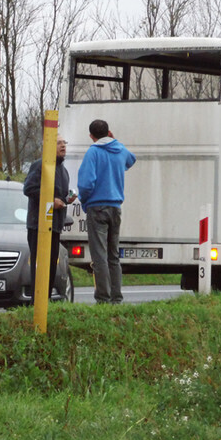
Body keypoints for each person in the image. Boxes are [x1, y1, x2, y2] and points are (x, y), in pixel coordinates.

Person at [77, 119, 136, 304]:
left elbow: (86, 184)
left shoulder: (93, 152)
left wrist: (84, 200)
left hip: (97, 207)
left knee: (99, 255)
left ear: (91, 136)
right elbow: (131, 159)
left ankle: (103, 298)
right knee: (113, 255)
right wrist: (114, 140)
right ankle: (116, 297)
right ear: (109, 132)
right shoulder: (119, 150)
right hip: (115, 207)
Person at [23, 135, 75, 302]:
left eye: (64, 143)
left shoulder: (63, 171)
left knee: (52, 266)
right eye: (58, 142)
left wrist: (67, 199)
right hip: (39, 225)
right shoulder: (39, 166)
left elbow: (61, 196)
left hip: (56, 226)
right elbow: (29, 189)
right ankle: (35, 304)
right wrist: (51, 201)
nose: (63, 146)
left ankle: (45, 303)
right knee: (40, 266)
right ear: (48, 147)